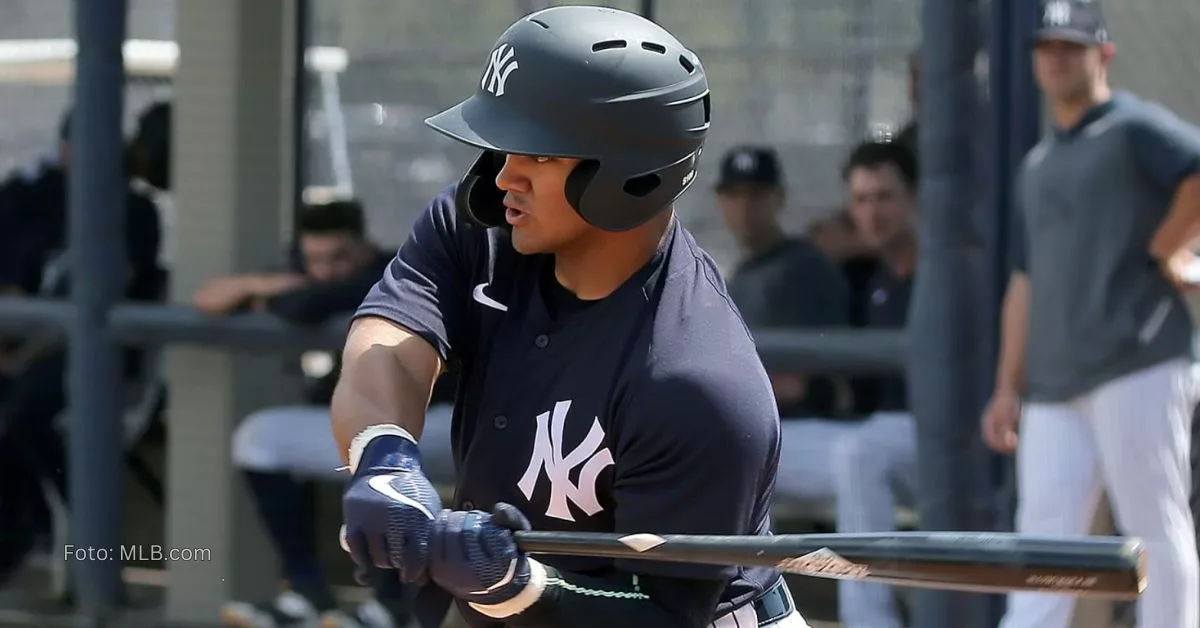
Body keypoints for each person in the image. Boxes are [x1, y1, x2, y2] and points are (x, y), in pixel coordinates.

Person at [331, 6, 806, 628]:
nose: (505, 175)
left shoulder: (696, 381)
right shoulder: (483, 230)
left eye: (540, 153)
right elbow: (388, 343)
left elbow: (666, 614)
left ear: (628, 176)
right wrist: (383, 457)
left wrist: (515, 585)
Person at [980, 2, 1200, 627]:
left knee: (1153, 524)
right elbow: (1023, 284)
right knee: (1043, 540)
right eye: (1047, 47)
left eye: (1071, 47)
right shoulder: (1038, 163)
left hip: (1138, 361)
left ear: (1103, 53)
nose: (1056, 58)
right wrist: (1005, 388)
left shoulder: (1132, 128)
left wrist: (1171, 245)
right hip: (1052, 385)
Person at [208, 200, 440, 628]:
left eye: (339, 257)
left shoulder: (395, 267)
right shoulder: (305, 278)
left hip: (451, 420)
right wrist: (277, 282)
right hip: (385, 423)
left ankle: (391, 605)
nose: (328, 270)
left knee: (372, 434)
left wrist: (285, 292)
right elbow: (209, 299)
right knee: (260, 438)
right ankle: (306, 590)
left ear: (365, 249)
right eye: (316, 259)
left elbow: (306, 307)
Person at [0, 102, 167, 588]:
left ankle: (75, 534)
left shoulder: (133, 210)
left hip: (94, 360)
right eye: (75, 148)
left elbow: (101, 298)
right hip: (19, 345)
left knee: (25, 410)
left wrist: (21, 353)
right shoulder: (33, 196)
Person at [827, 138, 919, 628]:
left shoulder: (947, 272)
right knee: (750, 446)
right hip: (874, 440)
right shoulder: (872, 278)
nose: (873, 211)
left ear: (915, 199)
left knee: (859, 453)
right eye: (861, 200)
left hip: (942, 444)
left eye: (885, 197)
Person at [714, 145, 850, 419]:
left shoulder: (805, 266)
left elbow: (802, 382)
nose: (744, 207)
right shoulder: (737, 276)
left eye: (756, 195)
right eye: (734, 195)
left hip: (804, 425)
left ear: (780, 198)